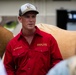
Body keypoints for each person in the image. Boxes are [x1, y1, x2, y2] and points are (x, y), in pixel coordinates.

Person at [3, 3, 63, 75]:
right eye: (27, 17)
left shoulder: (49, 39)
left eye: (33, 16)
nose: (31, 20)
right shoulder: (13, 43)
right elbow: (8, 67)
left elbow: (57, 62)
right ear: (20, 19)